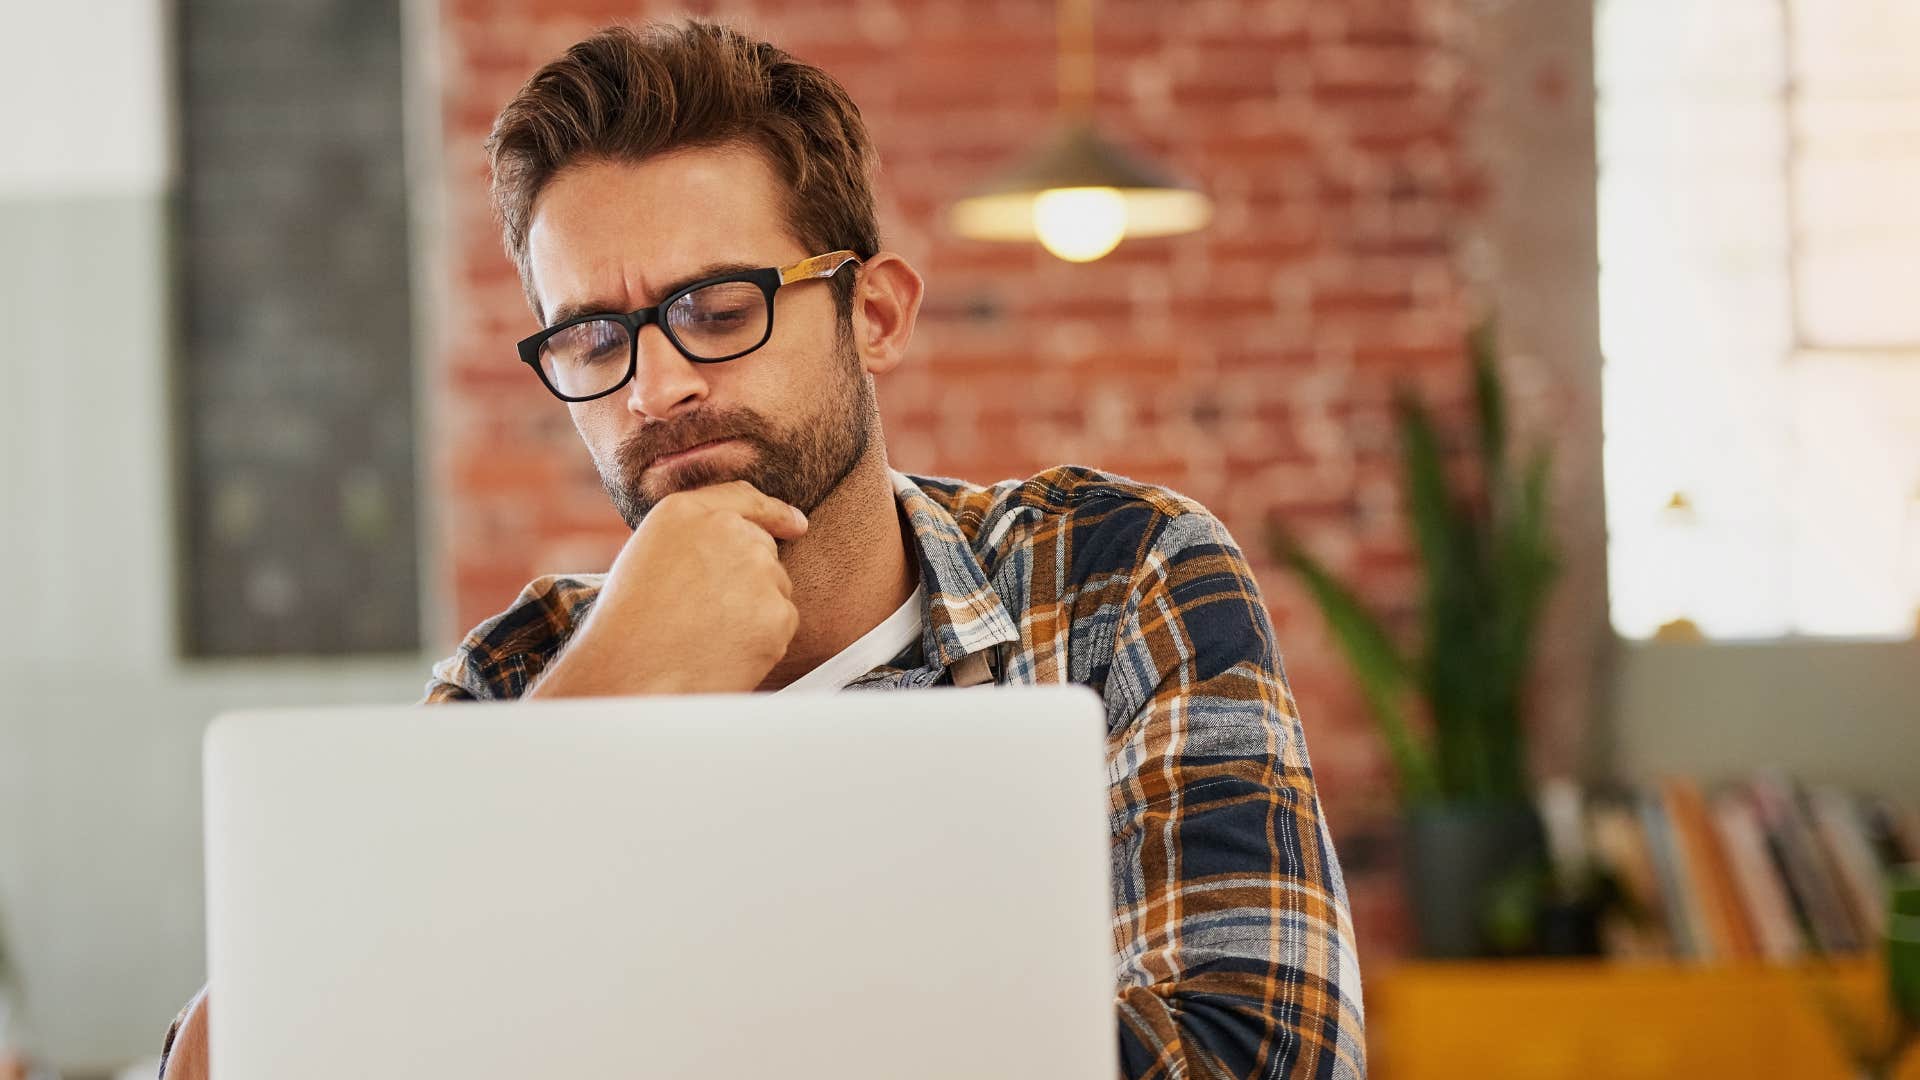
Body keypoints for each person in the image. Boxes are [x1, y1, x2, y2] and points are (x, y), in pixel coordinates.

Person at [160, 20, 1364, 1079]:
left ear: (876, 314)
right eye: (592, 337)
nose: (658, 388)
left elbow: (1258, 1054)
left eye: (717, 310)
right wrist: (597, 713)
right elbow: (237, 1058)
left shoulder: (1118, 577)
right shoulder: (519, 678)